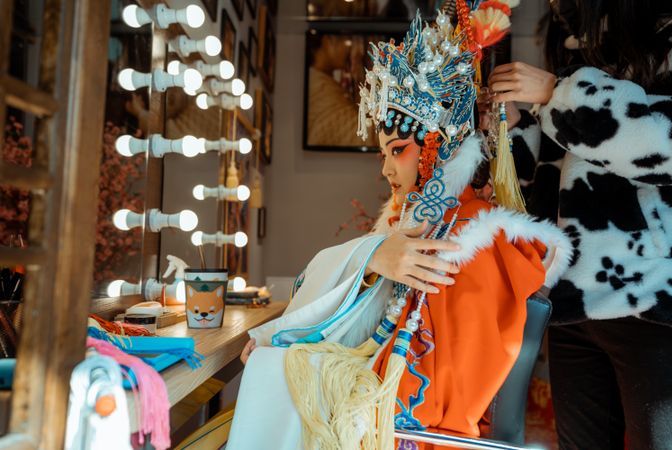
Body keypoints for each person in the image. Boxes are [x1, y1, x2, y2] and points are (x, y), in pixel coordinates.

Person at [227, 3, 572, 449]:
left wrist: (293, 356)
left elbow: (439, 393)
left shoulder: (472, 239)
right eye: (383, 155)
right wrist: (287, 340)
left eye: (397, 150)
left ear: (437, 147)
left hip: (421, 432)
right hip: (396, 415)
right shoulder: (427, 228)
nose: (386, 169)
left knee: (273, 378)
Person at [481, 0, 672, 448]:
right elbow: (556, 171)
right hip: (575, 300)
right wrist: (513, 130)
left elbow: (664, 143)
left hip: (653, 298)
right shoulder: (578, 39)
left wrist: (558, 93)